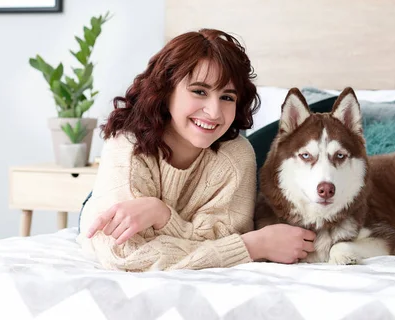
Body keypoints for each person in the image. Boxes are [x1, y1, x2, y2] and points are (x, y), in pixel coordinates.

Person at [77, 29, 316, 271]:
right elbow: (126, 256)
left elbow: (224, 239)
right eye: (199, 91)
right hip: (105, 202)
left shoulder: (237, 155)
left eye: (227, 97)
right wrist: (252, 246)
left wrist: (162, 217)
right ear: (166, 89)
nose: (214, 112)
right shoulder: (128, 146)